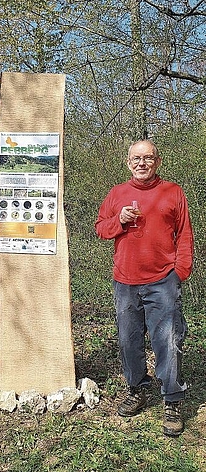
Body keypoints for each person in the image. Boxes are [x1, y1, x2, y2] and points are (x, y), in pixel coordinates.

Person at [95, 140, 193, 437]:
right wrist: (119, 221)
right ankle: (136, 389)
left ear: (157, 162)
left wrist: (180, 272)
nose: (142, 163)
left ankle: (172, 400)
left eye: (147, 158)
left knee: (167, 341)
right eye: (136, 158)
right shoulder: (116, 193)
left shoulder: (173, 192)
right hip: (125, 281)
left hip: (163, 280)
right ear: (128, 162)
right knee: (129, 341)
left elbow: (185, 234)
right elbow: (100, 228)